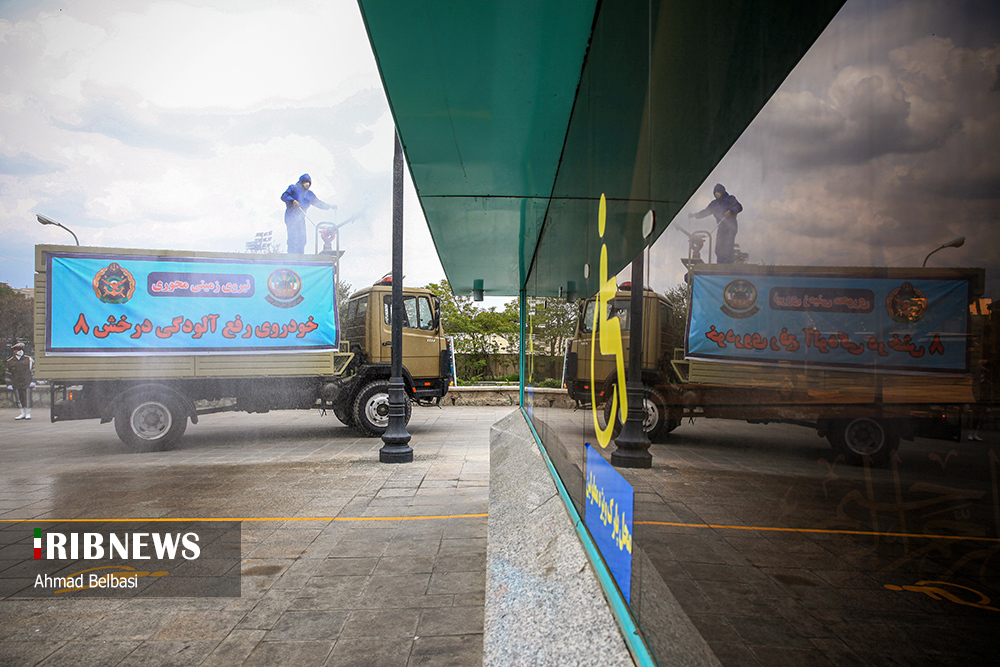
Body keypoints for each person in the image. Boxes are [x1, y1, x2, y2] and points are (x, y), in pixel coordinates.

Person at [689, 183, 743, 264]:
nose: (717, 194)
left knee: (728, 246)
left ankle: (728, 264)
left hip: (731, 227)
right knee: (718, 248)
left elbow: (739, 207)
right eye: (715, 192)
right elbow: (705, 212)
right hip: (721, 227)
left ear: (723, 192)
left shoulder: (730, 199)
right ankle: (720, 264)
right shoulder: (714, 204)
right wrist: (694, 215)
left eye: (719, 192)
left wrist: (731, 211)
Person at [281, 173, 333, 254]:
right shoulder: (293, 188)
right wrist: (292, 201)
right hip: (291, 217)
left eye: (309, 183)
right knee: (293, 237)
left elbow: (317, 202)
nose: (307, 184)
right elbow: (284, 196)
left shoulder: (309, 194)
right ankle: (292, 255)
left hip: (301, 218)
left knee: (302, 238)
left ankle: (300, 256)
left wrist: (329, 206)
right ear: (301, 182)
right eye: (306, 182)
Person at [6, 342, 34, 420]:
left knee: (27, 398)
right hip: (16, 382)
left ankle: (28, 413)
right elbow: (8, 373)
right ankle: (22, 413)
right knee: (18, 398)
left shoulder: (28, 359)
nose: (19, 351)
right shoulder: (10, 361)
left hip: (26, 382)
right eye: (17, 350)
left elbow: (33, 370)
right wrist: (8, 384)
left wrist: (33, 381)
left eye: (20, 349)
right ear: (14, 351)